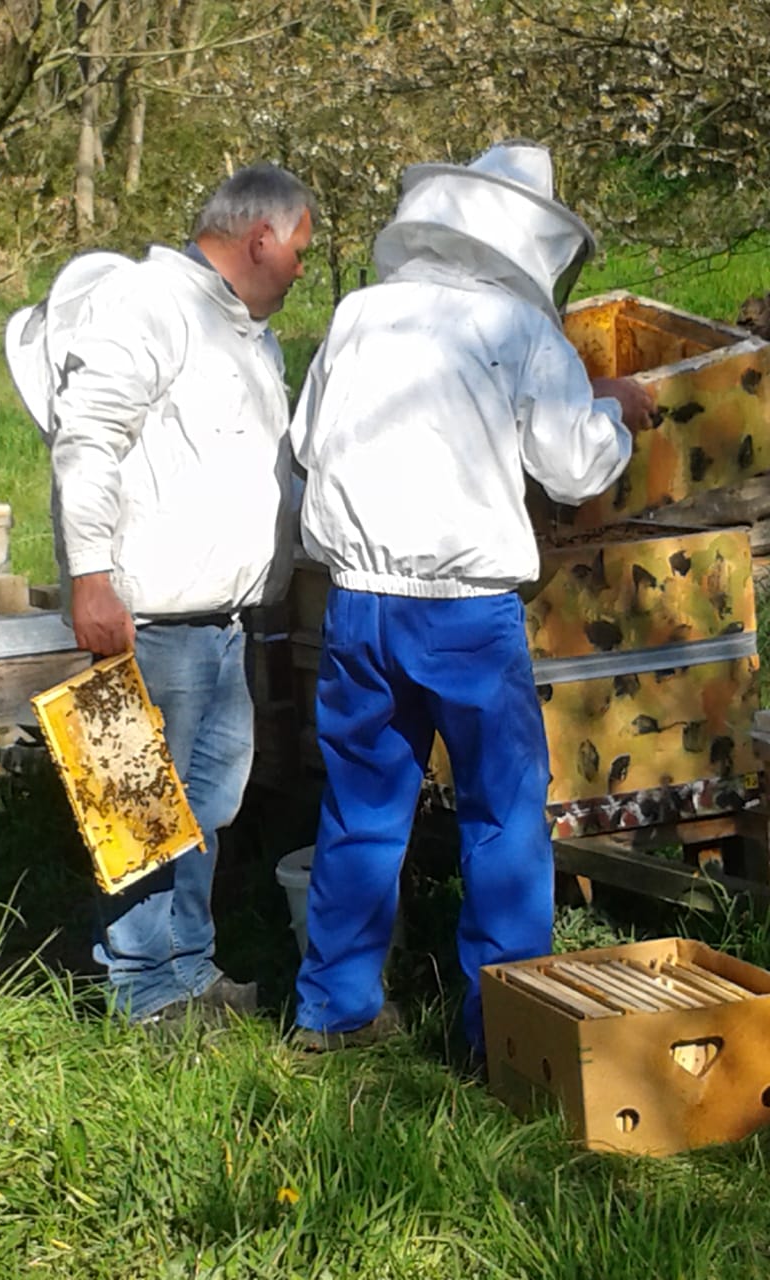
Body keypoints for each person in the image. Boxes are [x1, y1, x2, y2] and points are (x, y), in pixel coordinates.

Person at [288, 142, 654, 1056]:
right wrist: (615, 414)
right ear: (530, 242)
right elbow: (574, 469)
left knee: (362, 809)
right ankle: (504, 1032)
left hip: (357, 602)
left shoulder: (359, 314)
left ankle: (333, 1012)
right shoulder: (521, 332)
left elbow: (306, 445)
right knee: (501, 817)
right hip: (463, 612)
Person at [5, 163, 317, 1022]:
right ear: (262, 236)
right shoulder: (147, 301)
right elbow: (88, 441)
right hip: (143, 617)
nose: (300, 268)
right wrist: (92, 578)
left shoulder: (249, 336)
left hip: (225, 620)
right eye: (299, 250)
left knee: (205, 805)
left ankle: (189, 966)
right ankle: (144, 989)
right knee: (136, 805)